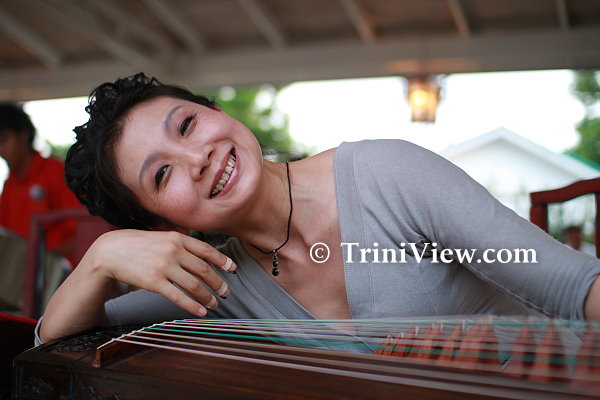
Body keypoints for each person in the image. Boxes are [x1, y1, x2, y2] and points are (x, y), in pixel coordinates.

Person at [38, 73, 600, 344]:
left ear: (215, 112)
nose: (197, 158)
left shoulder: (386, 174)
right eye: (161, 175)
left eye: (186, 125)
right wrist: (101, 256)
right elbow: (52, 339)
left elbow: (576, 288)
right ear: (162, 224)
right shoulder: (212, 284)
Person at [0, 103, 83, 261]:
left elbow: (85, 231)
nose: (0, 149)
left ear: (23, 137)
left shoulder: (56, 173)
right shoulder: (10, 183)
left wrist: (47, 259)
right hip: (24, 270)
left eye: (3, 140)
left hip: (61, 270)